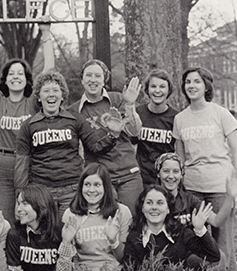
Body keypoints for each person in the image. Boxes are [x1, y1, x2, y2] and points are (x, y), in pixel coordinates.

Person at [15, 71, 125, 219]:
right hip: (42, 191)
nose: (51, 94)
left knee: (70, 232)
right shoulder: (28, 125)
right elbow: (22, 163)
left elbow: (96, 147)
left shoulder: (74, 119)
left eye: (56, 90)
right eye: (46, 91)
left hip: (72, 189)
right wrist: (21, 195)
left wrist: (113, 134)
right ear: (39, 97)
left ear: (62, 96)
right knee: (47, 235)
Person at [0, 21, 54, 226]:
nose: (16, 77)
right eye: (11, 73)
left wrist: (46, 33)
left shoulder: (33, 102)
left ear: (27, 78)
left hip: (29, 162)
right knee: (3, 219)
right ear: (5, 79)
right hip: (3, 163)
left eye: (20, 73)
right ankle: (6, 258)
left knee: (30, 217)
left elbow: (49, 70)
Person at [173, 66, 237, 271]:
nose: (191, 86)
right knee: (196, 243)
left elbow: (236, 150)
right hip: (192, 189)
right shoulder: (180, 118)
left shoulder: (221, 113)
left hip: (220, 186)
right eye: (188, 82)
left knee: (223, 242)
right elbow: (180, 158)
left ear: (206, 85)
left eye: (197, 81)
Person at [68, 59, 143, 216]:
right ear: (82, 79)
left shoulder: (117, 98)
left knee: (133, 224)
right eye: (88, 75)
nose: (93, 80)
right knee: (105, 225)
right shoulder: (74, 111)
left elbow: (135, 132)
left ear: (104, 79)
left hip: (128, 174)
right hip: (100, 179)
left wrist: (130, 105)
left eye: (97, 75)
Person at [122, 185, 220, 271]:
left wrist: (200, 229)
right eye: (149, 202)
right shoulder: (134, 237)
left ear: (168, 209)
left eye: (160, 203)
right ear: (142, 208)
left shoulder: (181, 232)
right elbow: (128, 269)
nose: (154, 207)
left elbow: (213, 256)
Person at [56, 163, 132, 271]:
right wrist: (66, 242)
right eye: (87, 184)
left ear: (105, 187)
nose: (91, 190)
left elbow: (126, 260)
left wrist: (113, 241)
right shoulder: (71, 214)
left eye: (97, 185)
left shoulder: (121, 212)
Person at [155, 152, 235, 229]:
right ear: (158, 173)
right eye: (166, 171)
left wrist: (230, 197)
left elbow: (216, 221)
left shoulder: (190, 200)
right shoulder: (150, 199)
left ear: (181, 174)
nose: (171, 176)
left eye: (176, 171)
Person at [132, 69, 178, 186]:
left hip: (166, 179)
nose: (157, 91)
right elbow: (131, 143)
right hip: (143, 178)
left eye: (162, 87)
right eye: (153, 86)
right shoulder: (139, 113)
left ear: (169, 90)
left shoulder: (176, 117)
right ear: (147, 90)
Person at [6, 183, 61, 271]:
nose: (19, 209)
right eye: (19, 203)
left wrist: (66, 242)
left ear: (40, 204)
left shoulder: (59, 232)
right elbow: (14, 270)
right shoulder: (15, 234)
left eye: (25, 203)